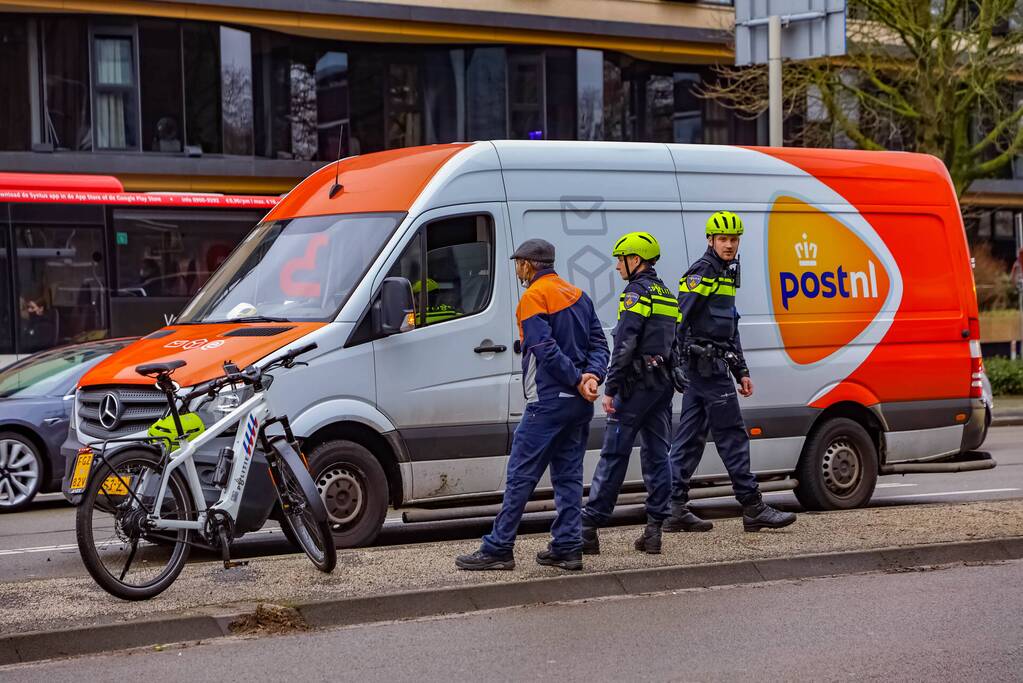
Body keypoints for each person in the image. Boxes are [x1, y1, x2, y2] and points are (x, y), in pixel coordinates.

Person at [456, 238, 609, 571]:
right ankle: (568, 547)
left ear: (527, 264)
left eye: (518, 263)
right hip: (579, 406)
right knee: (568, 477)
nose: (517, 269)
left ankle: (498, 547)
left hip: (548, 403)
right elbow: (600, 344)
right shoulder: (579, 296)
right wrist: (591, 378)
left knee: (520, 475)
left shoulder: (533, 298)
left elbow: (544, 347)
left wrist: (575, 380)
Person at [663, 211, 796, 533]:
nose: (729, 245)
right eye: (723, 239)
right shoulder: (703, 271)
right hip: (705, 369)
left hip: (713, 366)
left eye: (734, 239)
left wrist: (741, 369)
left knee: (689, 440)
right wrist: (677, 363)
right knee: (733, 437)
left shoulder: (726, 272)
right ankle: (752, 507)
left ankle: (672, 508)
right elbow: (678, 319)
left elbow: (729, 325)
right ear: (710, 240)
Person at [580, 232, 677, 555]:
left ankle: (589, 528)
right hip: (661, 387)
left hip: (635, 387)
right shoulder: (666, 293)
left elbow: (625, 343)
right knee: (656, 456)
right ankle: (654, 531)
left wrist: (612, 387)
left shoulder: (635, 293)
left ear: (635, 260)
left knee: (614, 454)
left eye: (620, 259)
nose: (616, 266)